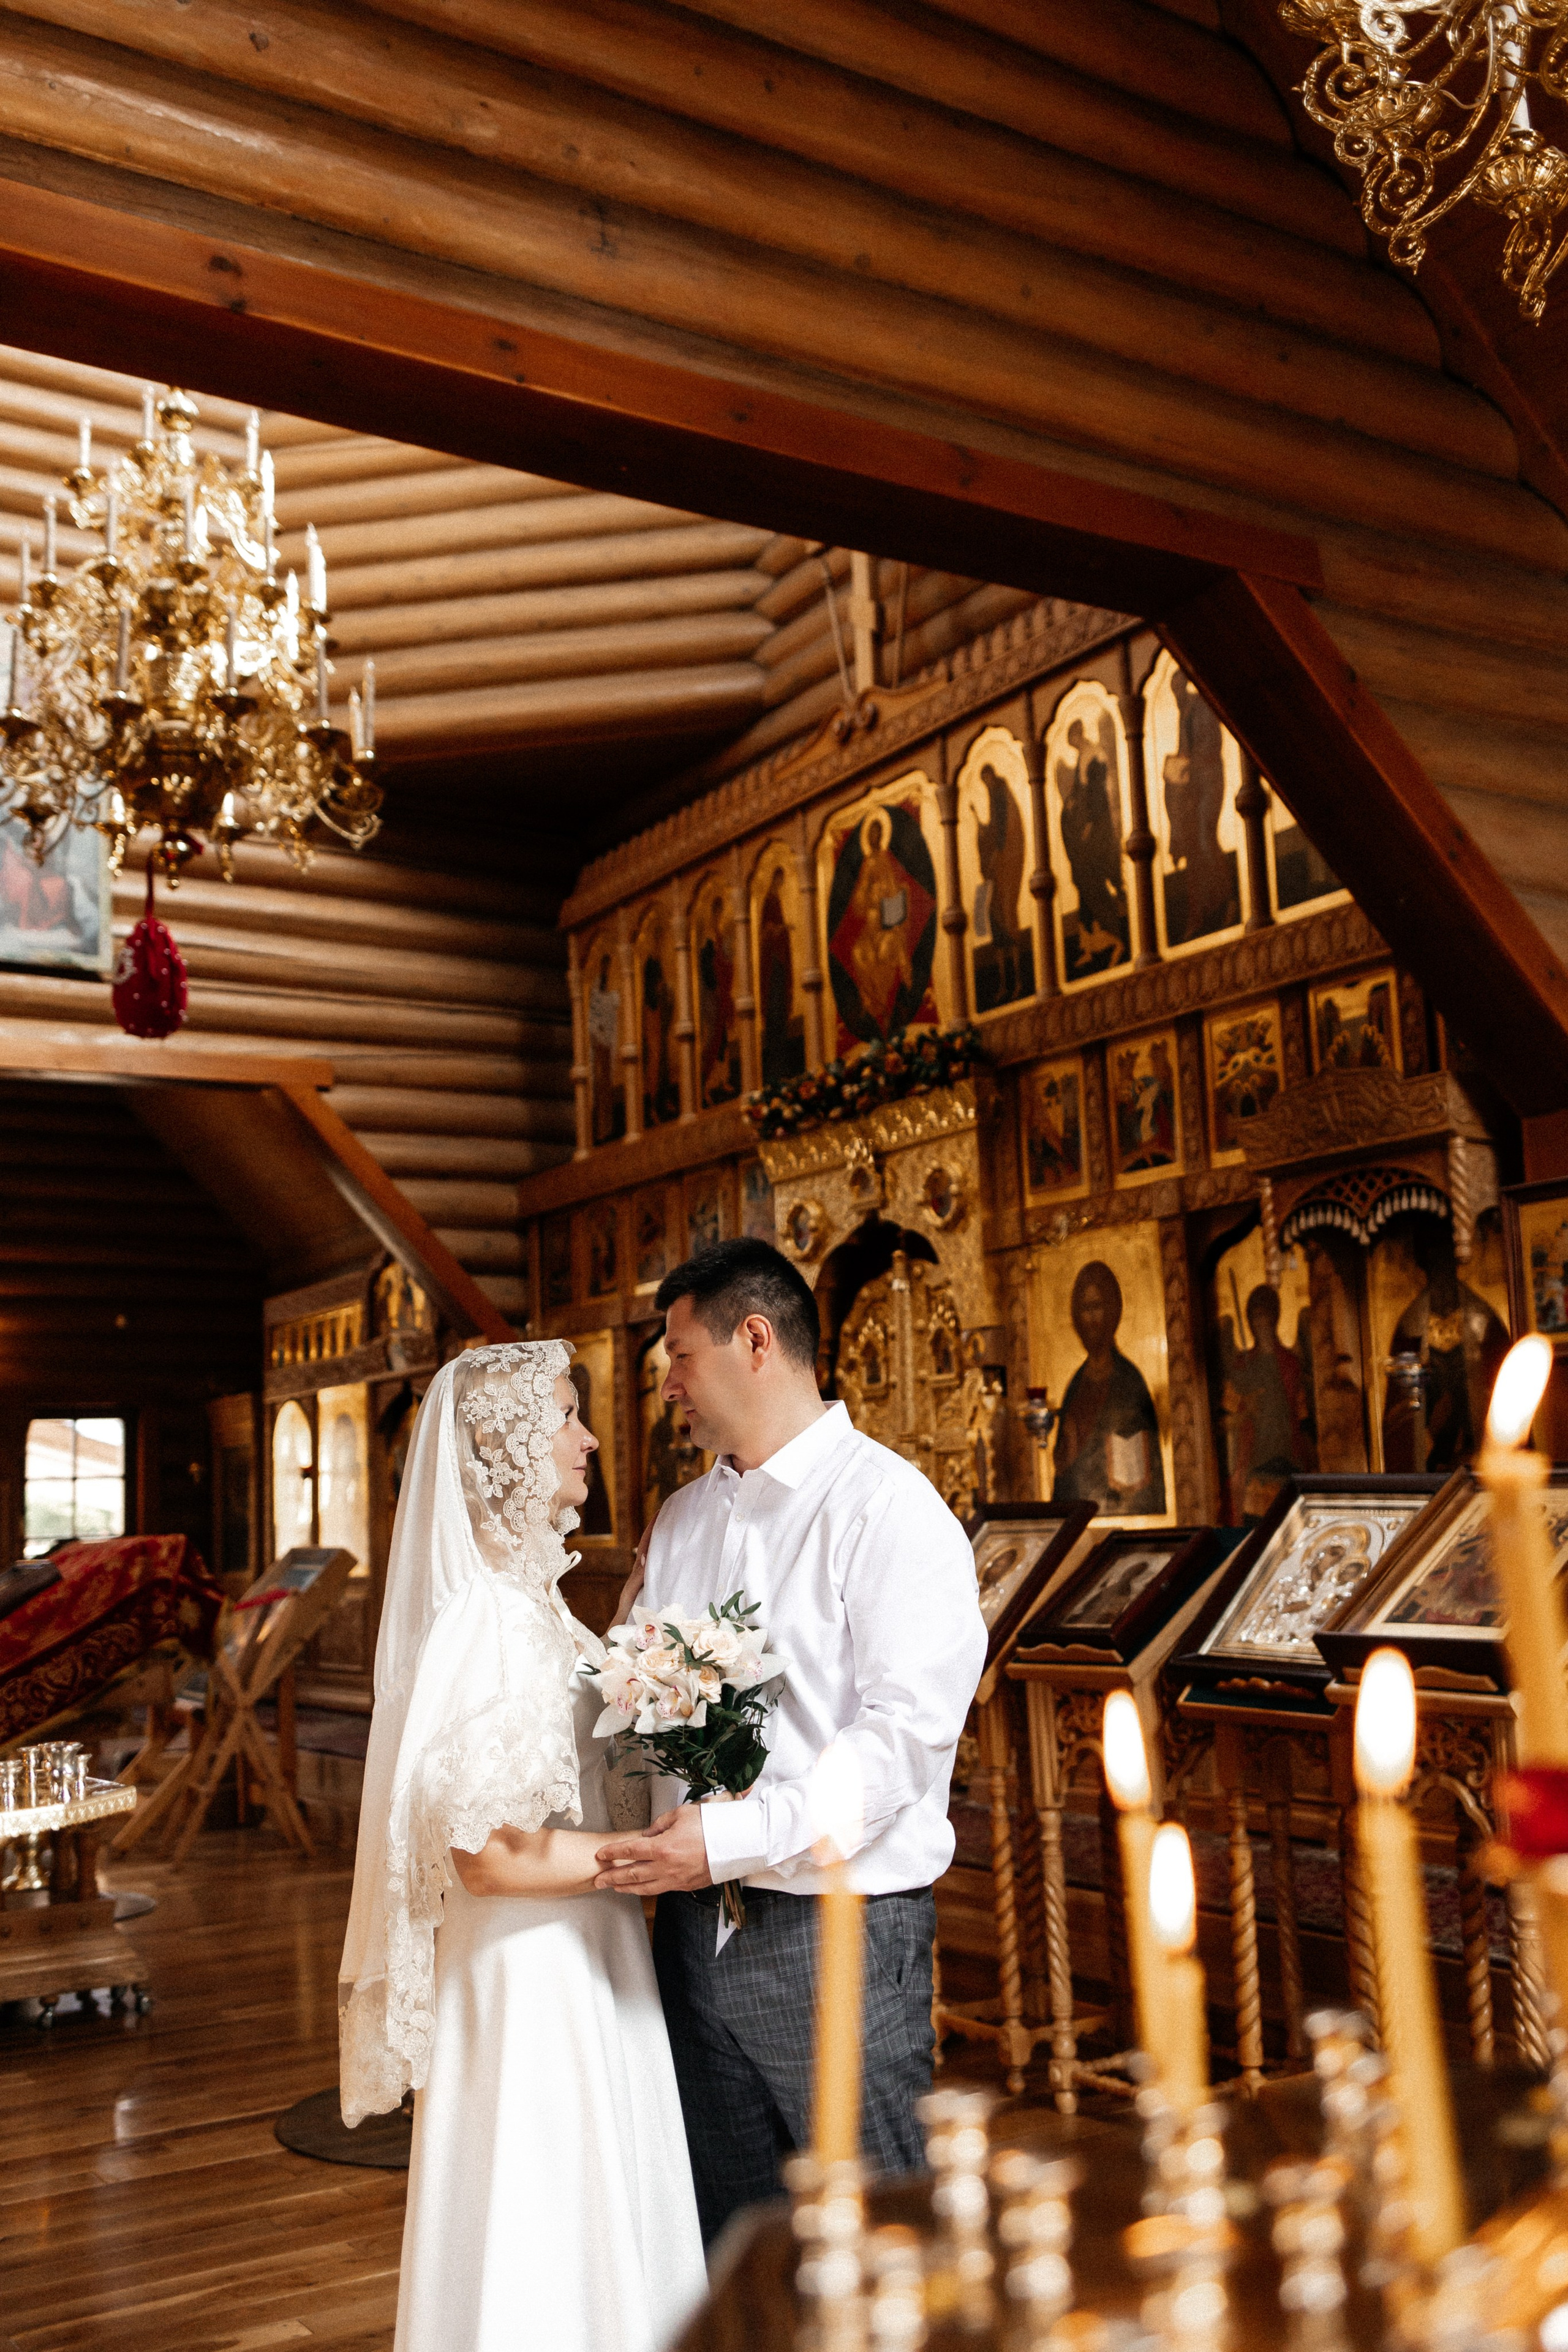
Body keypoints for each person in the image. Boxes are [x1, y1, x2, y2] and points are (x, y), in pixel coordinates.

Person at [595, 1238, 987, 2245]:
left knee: (880, 2244)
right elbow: (656, 1716)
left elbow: (899, 1749)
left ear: (754, 1340)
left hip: (837, 1932)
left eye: (679, 1355)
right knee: (739, 2243)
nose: (668, 1382)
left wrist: (724, 1840)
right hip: (690, 1936)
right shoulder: (680, 1521)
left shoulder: (891, 1511)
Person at [338, 1341, 704, 2352]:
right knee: (545, 2223)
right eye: (564, 1416)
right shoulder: (486, 1624)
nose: (588, 1438)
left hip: (581, 1950)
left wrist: (640, 1655)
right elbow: (486, 1853)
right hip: (531, 1969)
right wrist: (643, 1858)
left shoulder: (536, 1614)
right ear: (502, 1446)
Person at [1052, 1260, 1166, 1515]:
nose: (1092, 1318)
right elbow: (1063, 1473)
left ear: (1112, 1310)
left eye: (1098, 1306)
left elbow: (1146, 1472)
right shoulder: (1075, 1385)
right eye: (1085, 1308)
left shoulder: (1129, 1380)